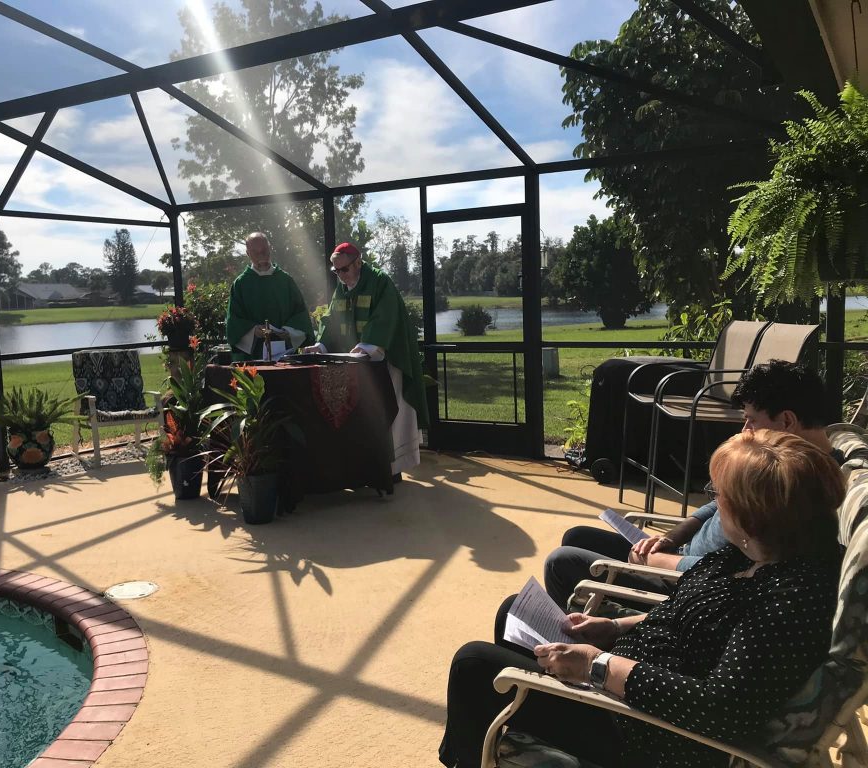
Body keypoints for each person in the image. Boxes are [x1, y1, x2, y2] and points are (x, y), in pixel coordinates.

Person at [439, 429, 844, 768]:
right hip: (628, 680)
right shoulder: (749, 553)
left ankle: (468, 754)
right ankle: (483, 744)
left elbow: (720, 708)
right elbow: (684, 608)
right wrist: (612, 628)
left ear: (752, 515)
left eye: (719, 494)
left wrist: (596, 666)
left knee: (474, 664)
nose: (714, 502)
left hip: (648, 728)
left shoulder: (790, 599)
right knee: (513, 612)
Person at [543, 360, 838, 609]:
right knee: (577, 536)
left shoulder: (796, 483)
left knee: (562, 563)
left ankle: (573, 649)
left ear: (787, 421)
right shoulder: (782, 462)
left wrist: (657, 560)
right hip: (678, 557)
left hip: (687, 588)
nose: (745, 430)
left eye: (750, 420)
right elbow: (716, 504)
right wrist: (670, 538)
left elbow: (735, 569)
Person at [302, 242, 428, 476]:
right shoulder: (343, 287)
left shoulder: (380, 282)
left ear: (358, 262)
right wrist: (321, 345)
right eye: (335, 271)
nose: (340, 276)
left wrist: (367, 347)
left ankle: (393, 467)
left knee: (391, 409)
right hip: (358, 365)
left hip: (387, 359)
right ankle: (368, 465)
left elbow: (385, 318)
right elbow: (331, 319)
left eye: (344, 270)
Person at [225, 232, 314, 361]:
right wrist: (253, 330)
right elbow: (234, 321)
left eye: (264, 251)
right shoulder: (241, 284)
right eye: (256, 252)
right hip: (251, 356)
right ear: (248, 254)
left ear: (270, 248)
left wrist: (289, 331)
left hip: (285, 353)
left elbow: (300, 315)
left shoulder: (285, 280)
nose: (261, 256)